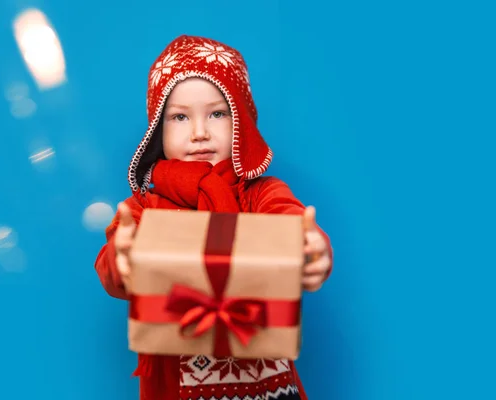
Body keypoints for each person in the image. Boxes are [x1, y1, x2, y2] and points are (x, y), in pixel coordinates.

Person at [94, 34, 333, 400]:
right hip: (175, 387)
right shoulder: (144, 208)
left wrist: (311, 250)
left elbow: (290, 220)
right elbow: (111, 267)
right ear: (159, 128)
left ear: (241, 121)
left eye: (217, 113)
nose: (200, 132)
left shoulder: (258, 194)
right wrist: (126, 258)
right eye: (179, 117)